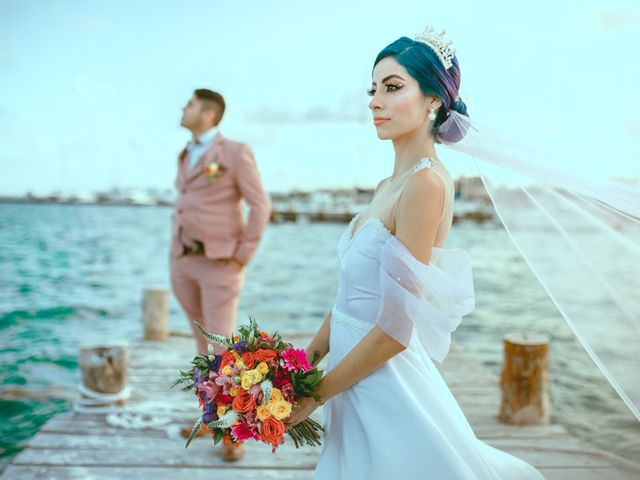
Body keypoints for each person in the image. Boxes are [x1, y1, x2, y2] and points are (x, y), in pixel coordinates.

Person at [283, 32, 545, 479]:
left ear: (432, 102)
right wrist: (299, 369)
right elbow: (348, 298)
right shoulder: (387, 187)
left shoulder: (426, 185)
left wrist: (317, 395)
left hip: (385, 383)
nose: (374, 101)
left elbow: (396, 329)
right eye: (373, 89)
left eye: (392, 86)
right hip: (350, 377)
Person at [170, 88, 271, 462]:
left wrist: (241, 256)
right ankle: (211, 419)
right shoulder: (185, 153)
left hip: (220, 264)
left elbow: (260, 206)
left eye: (190, 104)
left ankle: (234, 429)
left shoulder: (234, 152)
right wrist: (175, 259)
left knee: (223, 349)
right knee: (202, 347)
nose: (183, 108)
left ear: (209, 114)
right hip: (184, 262)